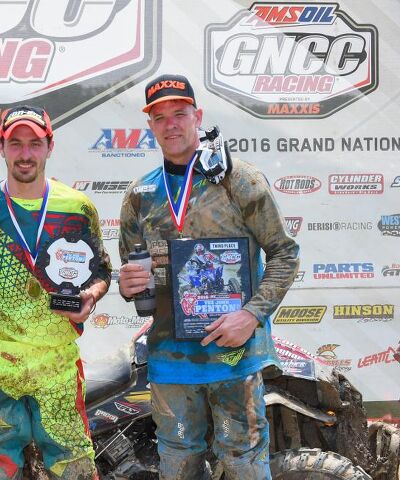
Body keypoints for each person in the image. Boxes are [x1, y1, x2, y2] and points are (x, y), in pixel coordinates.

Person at [117, 74, 299, 479]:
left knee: (243, 463)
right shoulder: (140, 194)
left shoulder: (240, 179)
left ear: (197, 116)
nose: (171, 124)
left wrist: (251, 315)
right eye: (159, 117)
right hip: (171, 361)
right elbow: (136, 274)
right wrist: (128, 285)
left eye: (179, 113)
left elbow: (285, 253)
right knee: (179, 465)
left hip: (235, 356)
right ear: (150, 126)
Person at [0, 105, 112, 479]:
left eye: (34, 143)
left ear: (49, 147)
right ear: (0, 147)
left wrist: (91, 296)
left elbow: (102, 271)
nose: (25, 153)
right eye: (15, 143)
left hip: (57, 365)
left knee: (75, 466)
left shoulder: (77, 207)